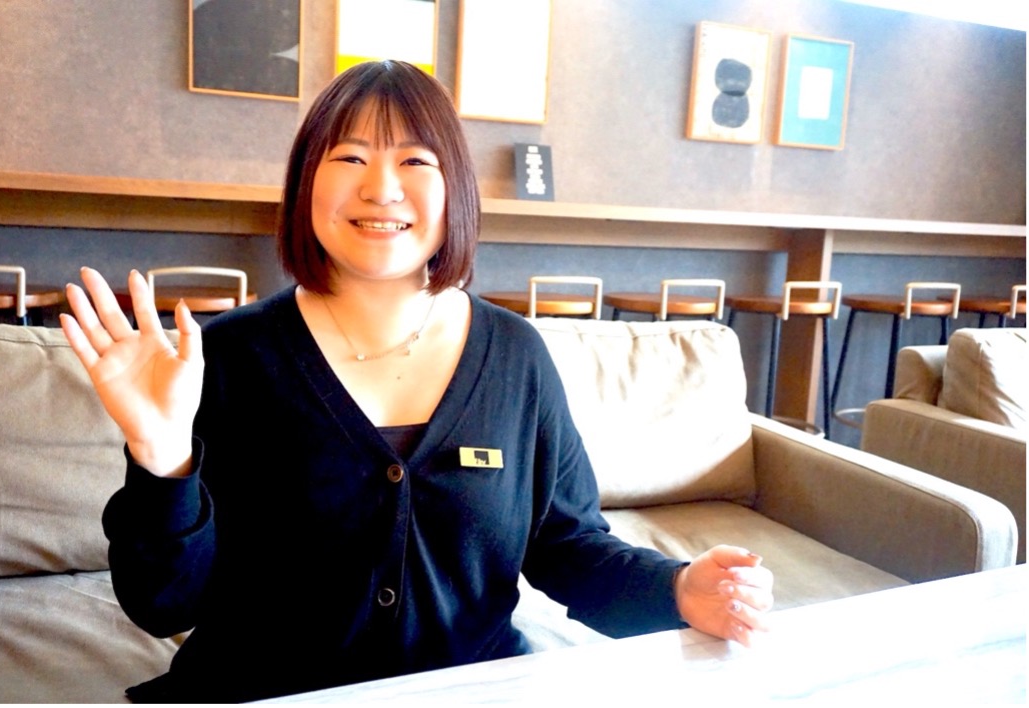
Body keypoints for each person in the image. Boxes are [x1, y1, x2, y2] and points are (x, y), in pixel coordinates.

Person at [60, 60, 773, 703]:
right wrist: (162, 458)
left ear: (453, 188)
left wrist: (679, 588)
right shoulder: (228, 357)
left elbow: (567, 545)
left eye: (414, 159)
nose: (380, 187)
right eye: (349, 157)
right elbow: (165, 604)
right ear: (306, 183)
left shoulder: (515, 356)